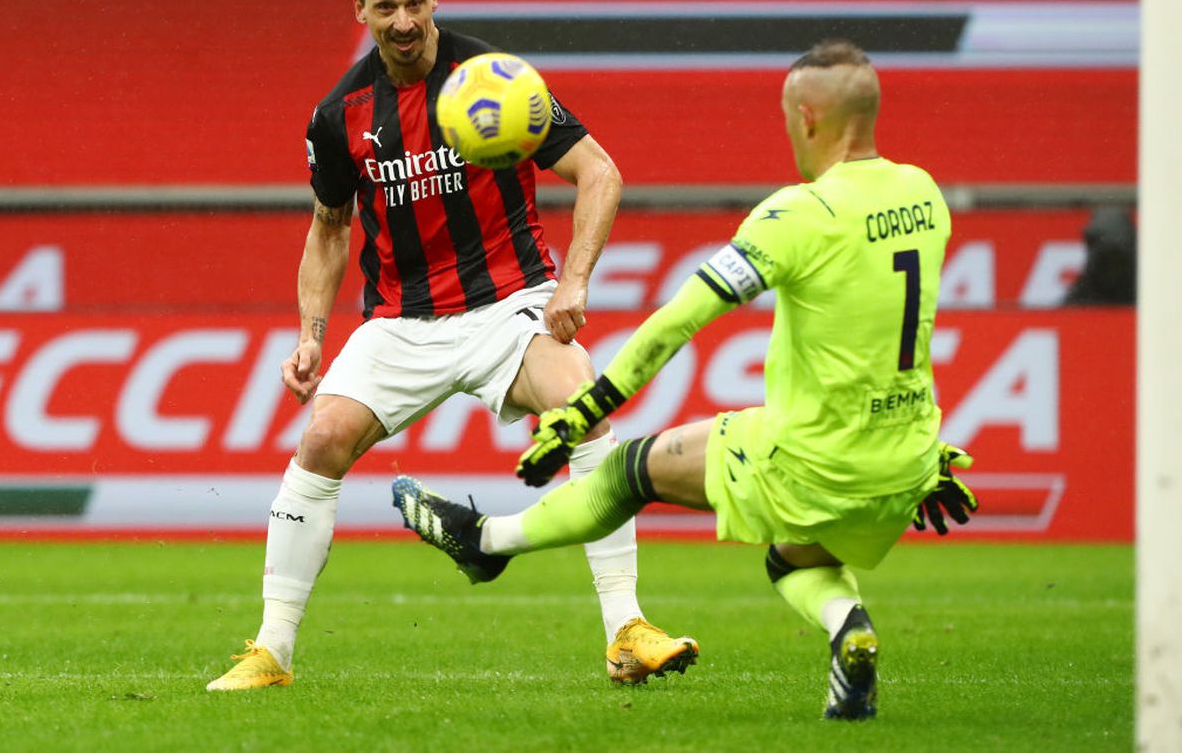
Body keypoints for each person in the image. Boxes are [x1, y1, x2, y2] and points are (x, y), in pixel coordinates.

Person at [391, 39, 980, 719]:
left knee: (630, 471)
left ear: (809, 118)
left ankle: (485, 542)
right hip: (908, 465)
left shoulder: (797, 215)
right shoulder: (924, 196)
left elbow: (679, 320)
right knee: (794, 560)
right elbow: (898, 333)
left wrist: (586, 410)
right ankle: (850, 630)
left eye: (791, 119)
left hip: (815, 459)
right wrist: (920, 453)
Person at [206, 0, 695, 691]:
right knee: (322, 440)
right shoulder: (341, 114)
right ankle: (272, 653)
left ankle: (627, 629)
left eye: (417, 3)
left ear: (435, 0)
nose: (404, 21)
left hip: (511, 305)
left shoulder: (497, 79)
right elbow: (329, 227)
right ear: (361, 12)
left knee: (584, 406)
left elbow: (598, 172)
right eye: (386, 7)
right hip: (401, 321)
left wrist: (574, 283)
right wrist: (310, 335)